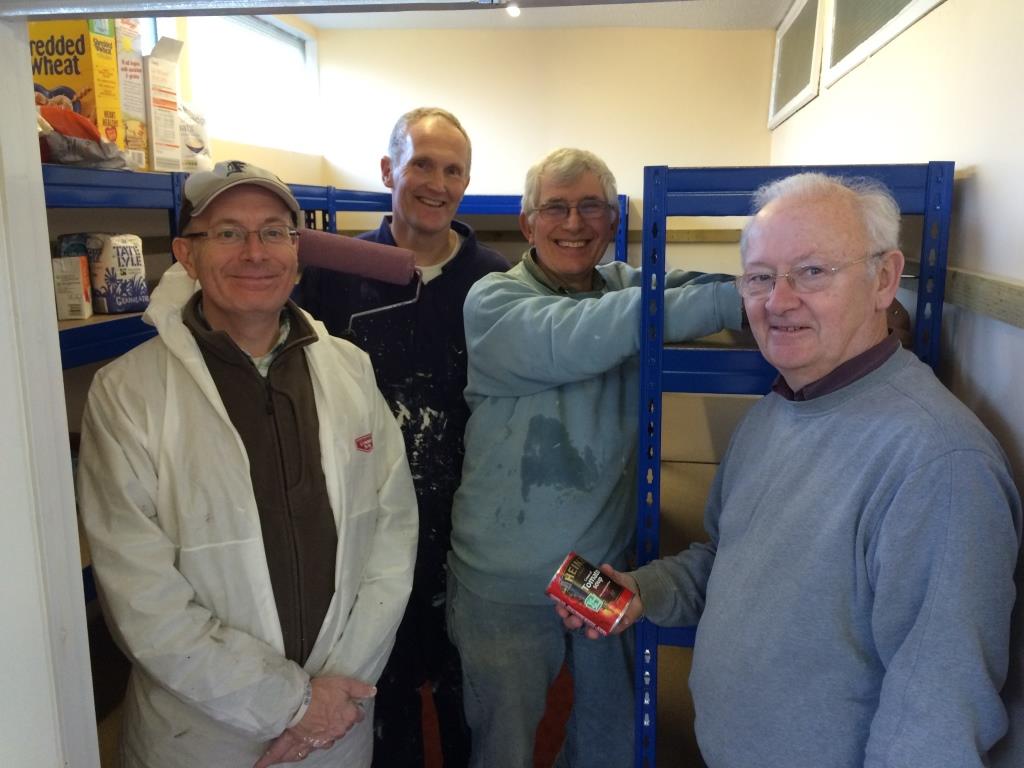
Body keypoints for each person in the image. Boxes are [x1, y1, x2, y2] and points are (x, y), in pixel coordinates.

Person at [561, 172, 1023, 767]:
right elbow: (724, 563)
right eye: (760, 277)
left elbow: (936, 721)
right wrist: (640, 593)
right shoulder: (780, 409)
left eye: (812, 271)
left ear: (883, 279)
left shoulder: (938, 464)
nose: (778, 301)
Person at [77, 160, 418, 768]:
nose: (255, 253)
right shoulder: (128, 393)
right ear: (186, 253)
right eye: (228, 233)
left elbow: (392, 537)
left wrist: (334, 694)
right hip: (202, 731)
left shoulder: (349, 370)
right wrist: (288, 704)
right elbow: (141, 596)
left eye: (274, 232)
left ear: (297, 250)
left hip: (338, 720)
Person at [446, 147, 744, 767]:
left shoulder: (624, 289)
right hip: (505, 579)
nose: (574, 223)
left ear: (613, 223)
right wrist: (726, 304)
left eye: (591, 208)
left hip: (599, 573)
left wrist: (769, 293)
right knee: (504, 745)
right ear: (529, 225)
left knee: (608, 737)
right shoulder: (493, 301)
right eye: (555, 208)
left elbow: (692, 290)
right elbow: (579, 335)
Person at [296, 107, 508, 767]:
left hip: (466, 530)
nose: (436, 183)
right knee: (380, 700)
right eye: (421, 164)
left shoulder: (494, 283)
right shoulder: (335, 272)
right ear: (389, 169)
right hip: (365, 528)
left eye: (453, 170)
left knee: (464, 697)